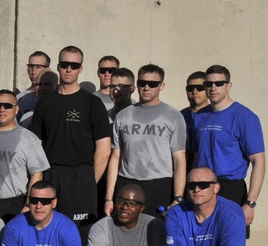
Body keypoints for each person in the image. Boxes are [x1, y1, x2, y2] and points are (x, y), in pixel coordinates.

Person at [193, 64, 264, 246]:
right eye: (208, 83)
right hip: (204, 187)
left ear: (229, 85)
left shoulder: (244, 117)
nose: (212, 88)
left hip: (232, 188)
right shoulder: (200, 116)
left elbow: (258, 161)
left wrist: (252, 202)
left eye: (218, 83)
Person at [30, 46, 111, 227]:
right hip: (50, 176)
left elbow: (104, 149)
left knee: (79, 236)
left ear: (80, 69)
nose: (69, 69)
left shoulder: (92, 103)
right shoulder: (45, 103)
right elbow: (36, 146)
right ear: (58, 66)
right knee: (47, 232)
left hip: (81, 178)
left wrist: (89, 181)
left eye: (74, 65)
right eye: (65, 64)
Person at [104, 64, 187, 217]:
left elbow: (179, 159)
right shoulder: (123, 116)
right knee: (125, 233)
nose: (147, 87)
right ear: (137, 85)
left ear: (161, 86)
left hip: (159, 184)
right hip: (127, 182)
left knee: (155, 234)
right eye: (143, 83)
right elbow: (116, 157)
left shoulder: (173, 116)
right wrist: (109, 198)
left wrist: (178, 198)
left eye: (153, 84)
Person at [0, 90, 48, 222]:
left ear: (16, 109)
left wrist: (27, 205)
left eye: (7, 106)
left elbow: (37, 175)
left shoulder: (28, 138)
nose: (2, 109)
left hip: (16, 203)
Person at [181, 71, 209, 167]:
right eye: (190, 88)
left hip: (209, 171)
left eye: (200, 88)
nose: (194, 92)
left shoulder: (215, 116)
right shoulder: (179, 116)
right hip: (184, 168)